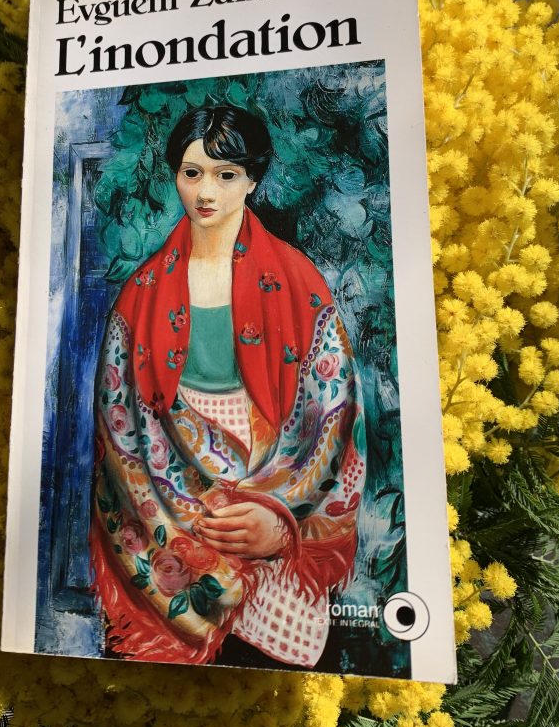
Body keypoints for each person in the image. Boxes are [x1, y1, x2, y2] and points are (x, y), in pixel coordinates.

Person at [90, 104, 366, 668]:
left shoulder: (298, 280)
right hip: (167, 499)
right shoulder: (139, 296)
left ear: (253, 180)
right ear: (175, 176)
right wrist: (189, 518)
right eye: (192, 173)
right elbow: (122, 439)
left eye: (226, 174)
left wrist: (279, 516)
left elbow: (332, 416)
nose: (206, 192)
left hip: (277, 481)